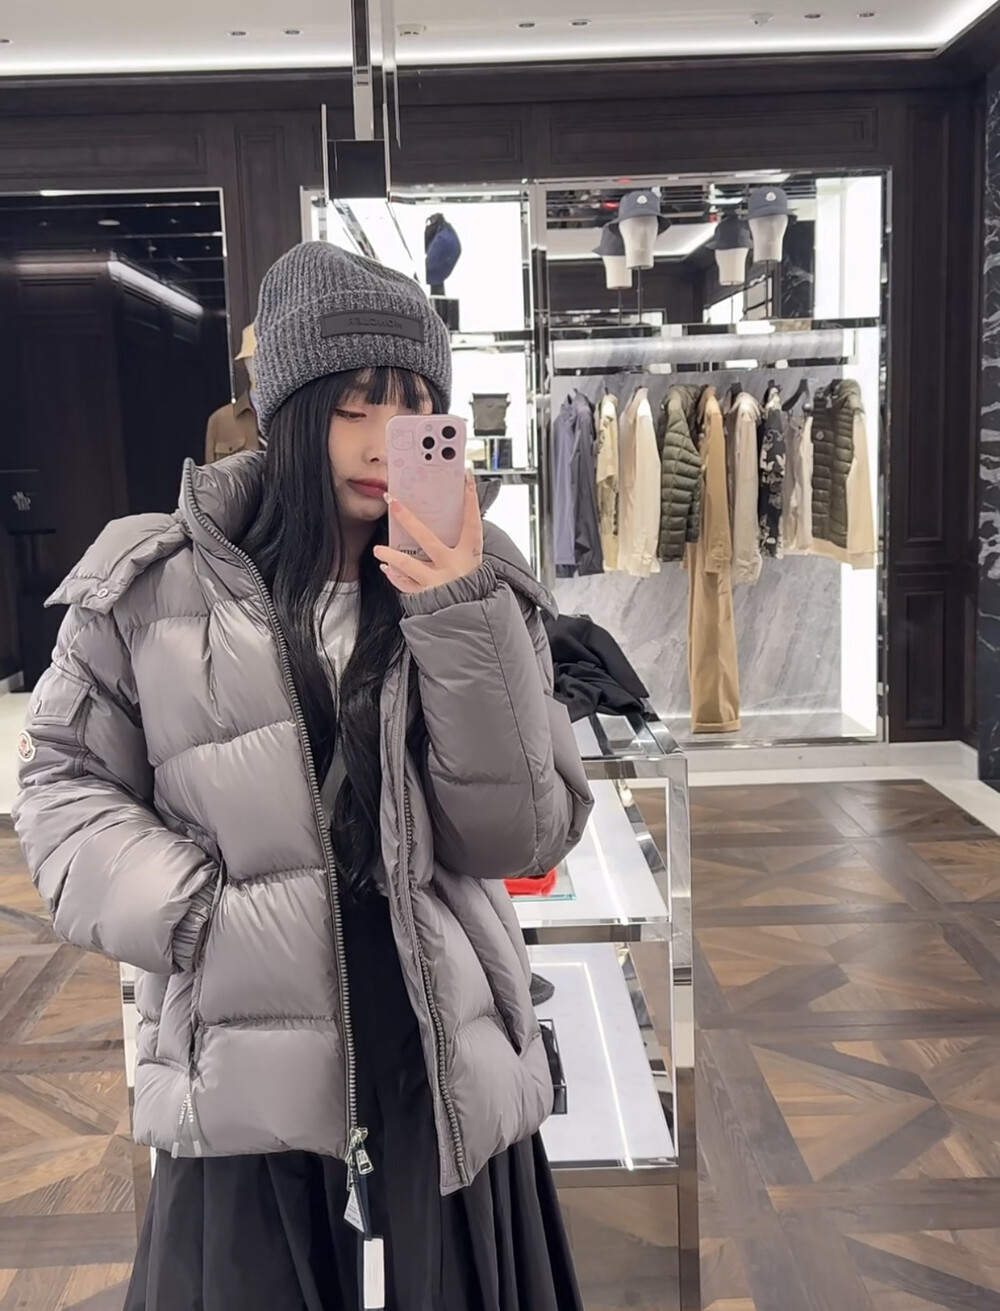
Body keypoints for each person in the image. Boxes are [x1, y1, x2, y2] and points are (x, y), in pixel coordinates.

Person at [13, 243, 593, 1311]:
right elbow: (59, 790)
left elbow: (519, 833)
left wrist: (459, 614)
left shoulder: (486, 582)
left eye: (413, 406)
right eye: (352, 406)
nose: (383, 441)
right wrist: (199, 910)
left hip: (437, 1034)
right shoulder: (151, 583)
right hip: (247, 1035)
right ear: (287, 413)